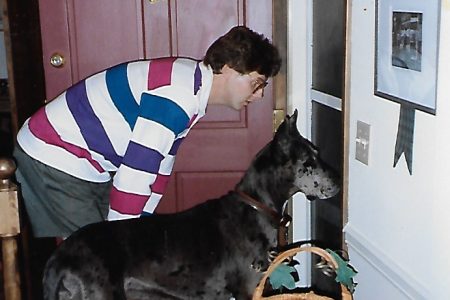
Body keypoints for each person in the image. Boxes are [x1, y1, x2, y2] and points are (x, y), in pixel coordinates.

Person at [13, 26, 281, 238]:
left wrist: (141, 226)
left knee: (107, 247)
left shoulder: (191, 86)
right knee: (94, 256)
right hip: (54, 153)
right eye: (256, 84)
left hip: (83, 160)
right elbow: (135, 174)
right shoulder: (179, 96)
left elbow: (160, 165)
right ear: (227, 68)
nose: (258, 96)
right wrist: (125, 240)